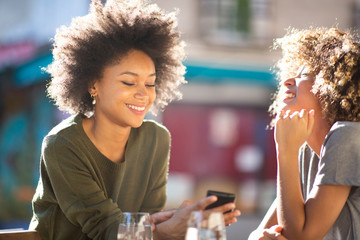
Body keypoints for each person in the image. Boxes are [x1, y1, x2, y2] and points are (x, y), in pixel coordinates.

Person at [28, 0, 240, 239]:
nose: (144, 94)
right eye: (129, 82)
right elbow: (104, 227)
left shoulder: (156, 138)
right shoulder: (62, 144)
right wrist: (162, 232)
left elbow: (148, 218)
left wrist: (186, 220)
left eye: (150, 83)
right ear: (92, 84)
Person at [249, 27, 360, 240]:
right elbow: (260, 234)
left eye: (304, 75)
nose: (287, 82)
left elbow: (300, 236)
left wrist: (285, 150)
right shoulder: (307, 151)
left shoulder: (348, 136)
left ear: (332, 85)